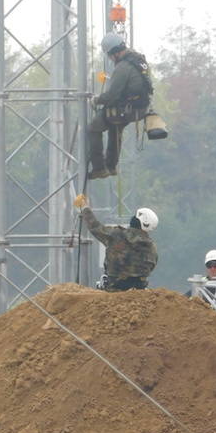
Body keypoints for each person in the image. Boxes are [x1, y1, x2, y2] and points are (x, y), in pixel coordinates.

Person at [87, 32, 154, 180]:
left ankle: (99, 168)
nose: (110, 59)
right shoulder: (138, 59)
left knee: (94, 127)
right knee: (114, 126)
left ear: (114, 53)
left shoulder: (123, 67)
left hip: (128, 108)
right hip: (140, 106)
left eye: (110, 56)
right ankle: (111, 166)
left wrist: (96, 100)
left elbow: (112, 95)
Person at [73, 193, 157, 291]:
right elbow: (151, 267)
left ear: (137, 221)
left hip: (113, 288)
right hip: (139, 290)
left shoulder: (117, 235)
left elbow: (95, 227)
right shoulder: (152, 247)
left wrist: (84, 208)